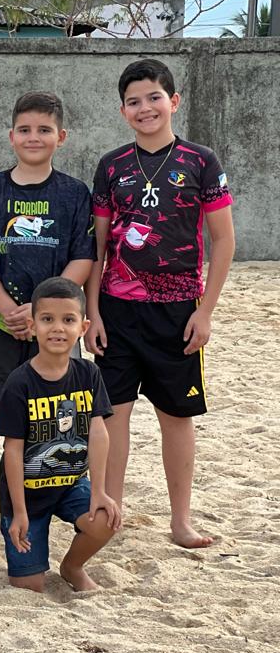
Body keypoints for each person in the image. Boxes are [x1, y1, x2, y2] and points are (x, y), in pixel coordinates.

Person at [86, 58, 234, 549]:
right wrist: (93, 313)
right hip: (117, 310)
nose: (145, 108)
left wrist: (205, 312)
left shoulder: (201, 160)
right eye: (134, 101)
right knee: (114, 416)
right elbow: (98, 246)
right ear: (123, 111)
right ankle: (108, 513)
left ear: (174, 101)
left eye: (154, 97)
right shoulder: (111, 165)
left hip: (178, 312)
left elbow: (223, 240)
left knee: (176, 416)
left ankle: (181, 521)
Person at [0, 92, 95, 530]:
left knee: (60, 416)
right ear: (11, 136)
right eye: (25, 129)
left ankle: (53, 504)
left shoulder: (74, 193)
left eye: (44, 130)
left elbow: (84, 259)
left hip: (55, 325)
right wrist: (7, 307)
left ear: (61, 137)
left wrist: (42, 313)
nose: (34, 137)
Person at [0, 277, 121, 592]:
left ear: (83, 327)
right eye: (47, 319)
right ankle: (31, 554)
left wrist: (99, 491)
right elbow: (12, 450)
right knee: (28, 585)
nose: (57, 328)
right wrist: (19, 512)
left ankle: (72, 566)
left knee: (105, 518)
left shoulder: (88, 373)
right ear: (32, 325)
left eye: (68, 320)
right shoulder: (19, 383)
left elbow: (98, 433)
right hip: (28, 495)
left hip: (71, 485)